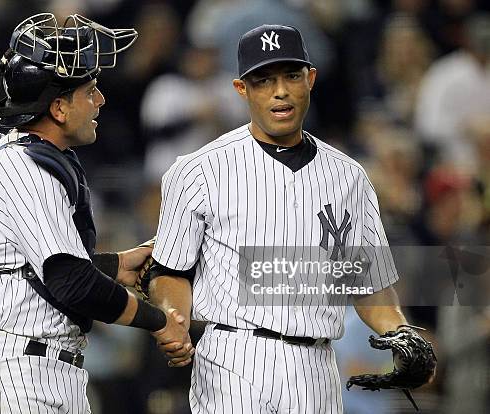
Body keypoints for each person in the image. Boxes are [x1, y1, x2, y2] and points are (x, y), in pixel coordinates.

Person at [148, 25, 432, 413]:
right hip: (233, 357)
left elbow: (369, 284)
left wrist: (400, 332)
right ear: (241, 89)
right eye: (263, 80)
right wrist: (172, 318)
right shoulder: (198, 170)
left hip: (317, 366)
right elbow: (169, 270)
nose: (279, 91)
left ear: (310, 79)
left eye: (291, 76)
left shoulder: (349, 176)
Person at [0, 13, 192, 413]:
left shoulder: (25, 160)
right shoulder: (23, 168)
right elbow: (72, 283)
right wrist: (159, 322)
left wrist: (114, 265)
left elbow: (32, 267)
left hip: (38, 372)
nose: (101, 100)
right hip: (15, 377)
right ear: (58, 107)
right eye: (90, 91)